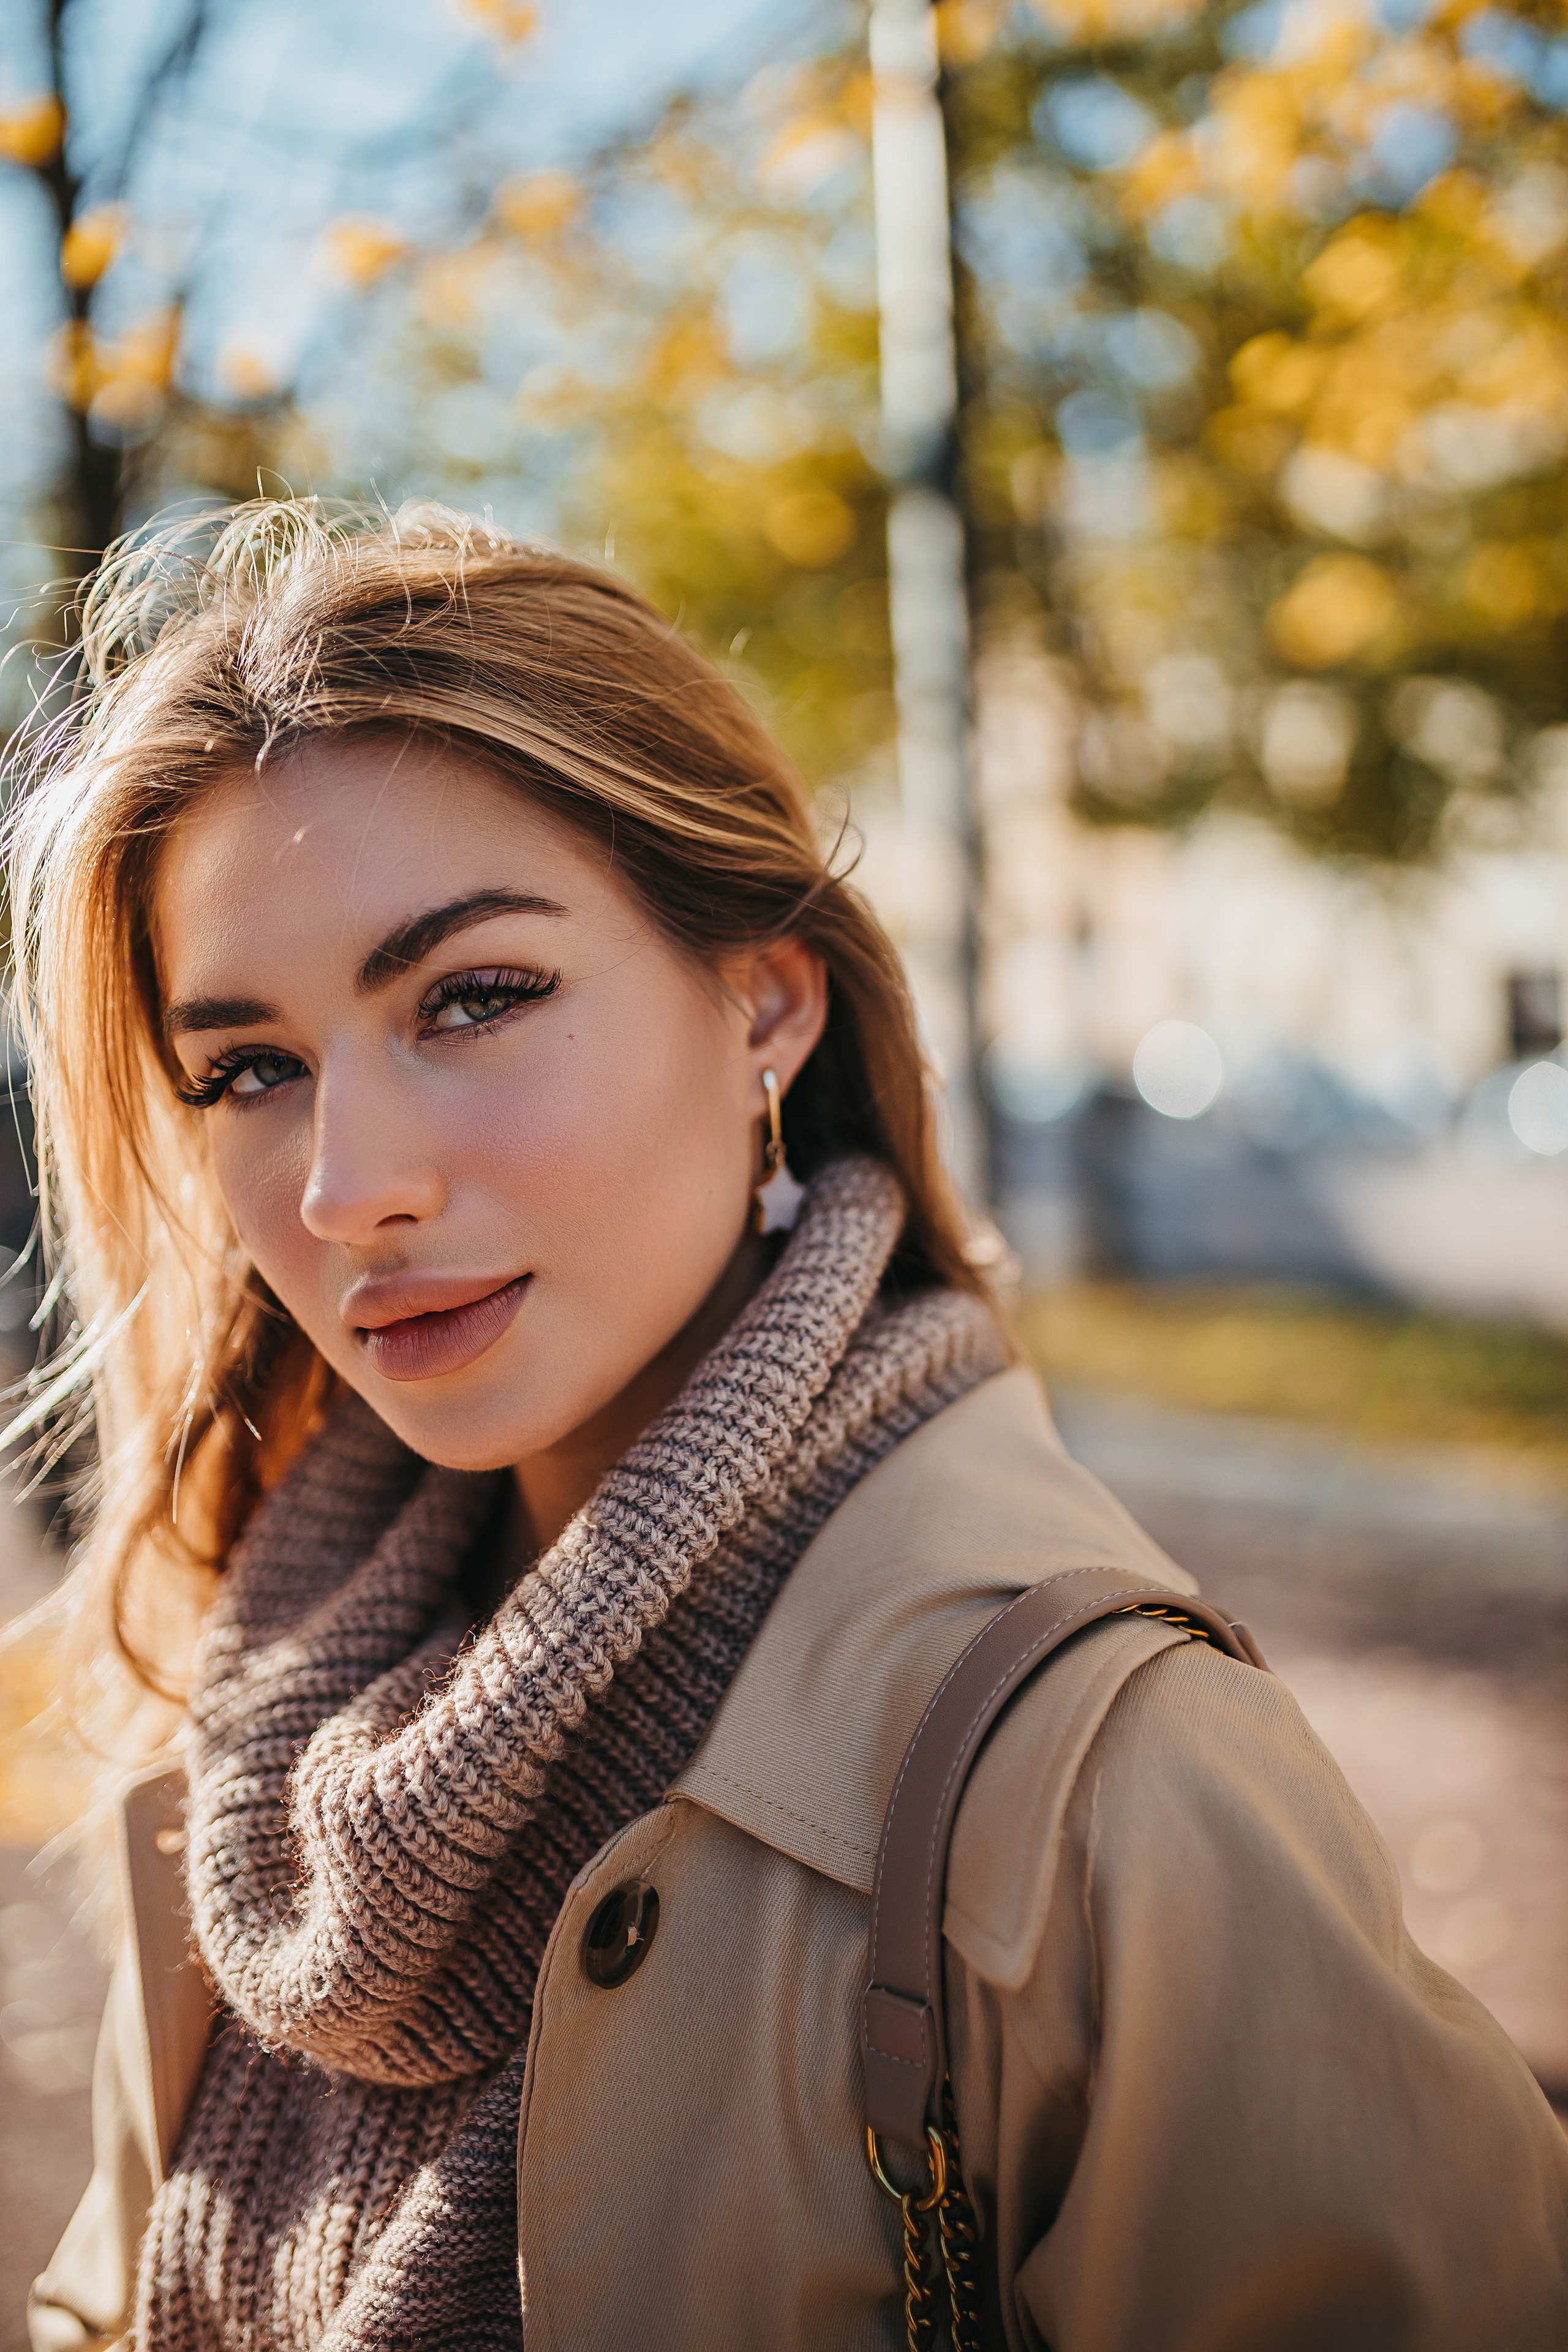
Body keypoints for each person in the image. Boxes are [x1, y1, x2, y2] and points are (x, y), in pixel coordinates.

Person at [17, 500, 1567, 2352]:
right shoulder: (262, 1726)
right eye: (250, 1068)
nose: (348, 1188)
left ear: (762, 1001)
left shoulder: (1099, 1777)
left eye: (475, 998)